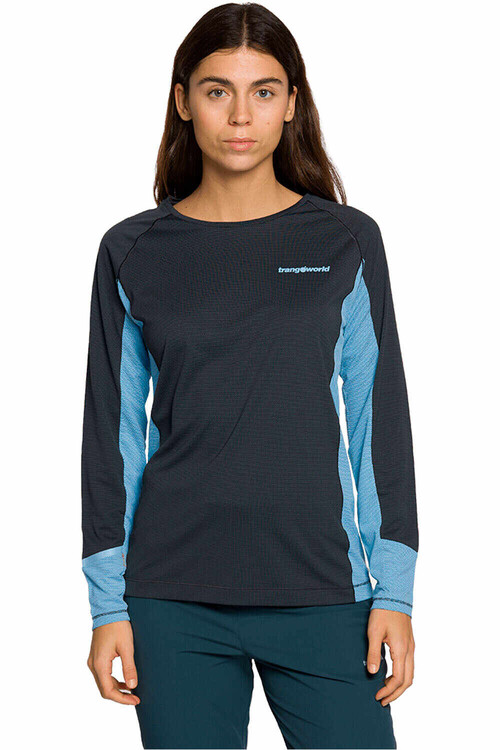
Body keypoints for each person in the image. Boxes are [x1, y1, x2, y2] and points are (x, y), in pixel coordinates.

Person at [81, 3, 419, 748]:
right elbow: (111, 439)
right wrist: (109, 606)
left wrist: (394, 592)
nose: (241, 116)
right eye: (217, 91)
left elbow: (379, 424)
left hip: (323, 588)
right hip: (172, 598)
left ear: (292, 102)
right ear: (183, 100)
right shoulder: (132, 251)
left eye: (263, 91)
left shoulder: (346, 240)